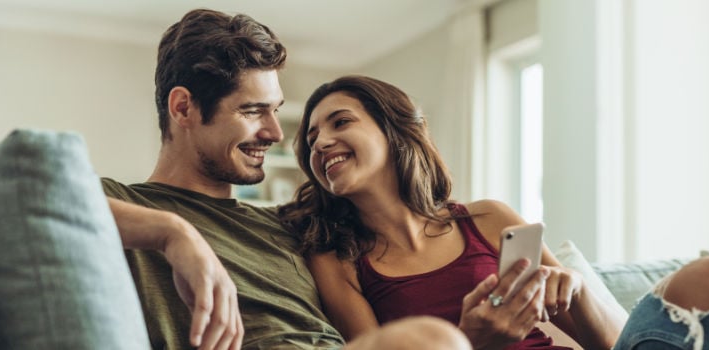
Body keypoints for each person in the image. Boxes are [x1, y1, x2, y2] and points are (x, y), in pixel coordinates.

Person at [278, 75, 709, 350]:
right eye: (312, 136)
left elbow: (607, 343)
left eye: (339, 122)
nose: (321, 141)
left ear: (394, 132)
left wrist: (572, 289)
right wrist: (472, 342)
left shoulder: (485, 219)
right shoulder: (337, 257)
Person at [102, 9, 471, 350]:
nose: (276, 133)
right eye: (252, 111)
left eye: (275, 111)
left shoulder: (292, 225)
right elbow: (44, 197)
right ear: (183, 108)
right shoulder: (120, 206)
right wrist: (173, 234)